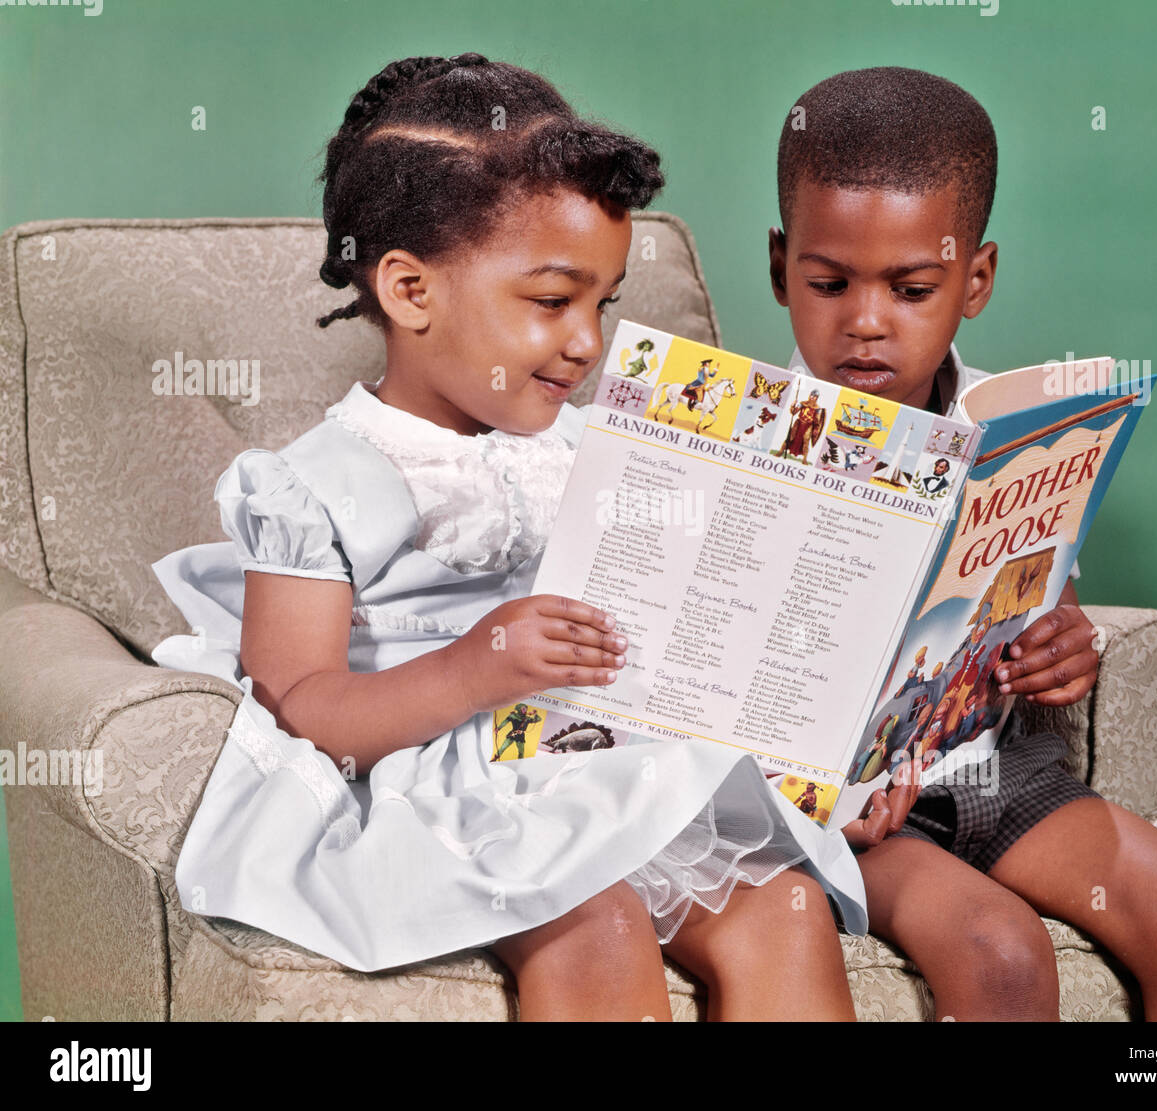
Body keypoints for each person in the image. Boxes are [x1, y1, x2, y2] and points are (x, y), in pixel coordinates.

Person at [150, 54, 870, 1022]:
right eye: (550, 301)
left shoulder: (595, 447)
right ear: (410, 292)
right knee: (595, 919)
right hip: (444, 778)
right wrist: (475, 666)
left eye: (602, 303)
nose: (587, 342)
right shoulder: (313, 483)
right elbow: (302, 710)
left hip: (597, 748)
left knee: (786, 905)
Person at [766, 66, 1157, 1020]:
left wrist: (1066, 646)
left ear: (976, 277)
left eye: (912, 288)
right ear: (780, 263)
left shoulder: (1018, 426)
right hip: (842, 812)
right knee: (999, 951)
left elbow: (1044, 597)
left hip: (994, 766)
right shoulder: (750, 438)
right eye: (828, 283)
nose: (865, 322)